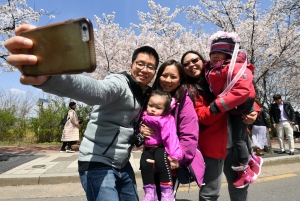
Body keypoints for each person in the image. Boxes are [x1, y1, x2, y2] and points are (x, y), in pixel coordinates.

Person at [4, 24, 160, 201]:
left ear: (155, 71)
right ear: (131, 65)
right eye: (140, 64)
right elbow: (96, 90)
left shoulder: (145, 94)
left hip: (123, 164)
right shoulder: (119, 83)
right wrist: (50, 77)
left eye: (150, 66)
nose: (144, 69)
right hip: (97, 162)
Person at [181, 50, 260, 200]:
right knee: (210, 194)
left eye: (194, 60)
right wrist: (224, 102)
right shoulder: (188, 91)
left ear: (203, 61)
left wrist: (254, 111)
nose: (191, 65)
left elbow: (244, 95)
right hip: (212, 148)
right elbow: (203, 117)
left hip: (237, 144)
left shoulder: (220, 75)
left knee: (240, 188)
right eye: (186, 64)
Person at [203, 31, 258, 188]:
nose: (214, 56)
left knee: (239, 138)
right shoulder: (209, 71)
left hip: (236, 108)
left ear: (228, 54)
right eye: (212, 53)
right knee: (211, 191)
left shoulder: (233, 67)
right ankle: (249, 161)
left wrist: (254, 110)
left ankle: (246, 166)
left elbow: (245, 91)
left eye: (219, 53)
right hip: (218, 134)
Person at [141, 59, 199, 200]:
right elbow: (137, 119)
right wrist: (140, 130)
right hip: (150, 153)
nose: (168, 80)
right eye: (164, 75)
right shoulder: (150, 96)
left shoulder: (184, 101)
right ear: (158, 75)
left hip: (171, 162)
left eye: (173, 77)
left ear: (180, 80)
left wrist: (173, 158)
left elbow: (189, 136)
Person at [140, 89, 182, 201]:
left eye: (158, 108)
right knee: (144, 164)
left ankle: (167, 192)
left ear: (165, 110)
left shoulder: (165, 119)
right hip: (148, 148)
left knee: (162, 163)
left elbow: (170, 137)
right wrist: (140, 128)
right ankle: (149, 193)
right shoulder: (143, 115)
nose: (153, 110)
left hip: (161, 147)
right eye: (151, 106)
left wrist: (174, 156)